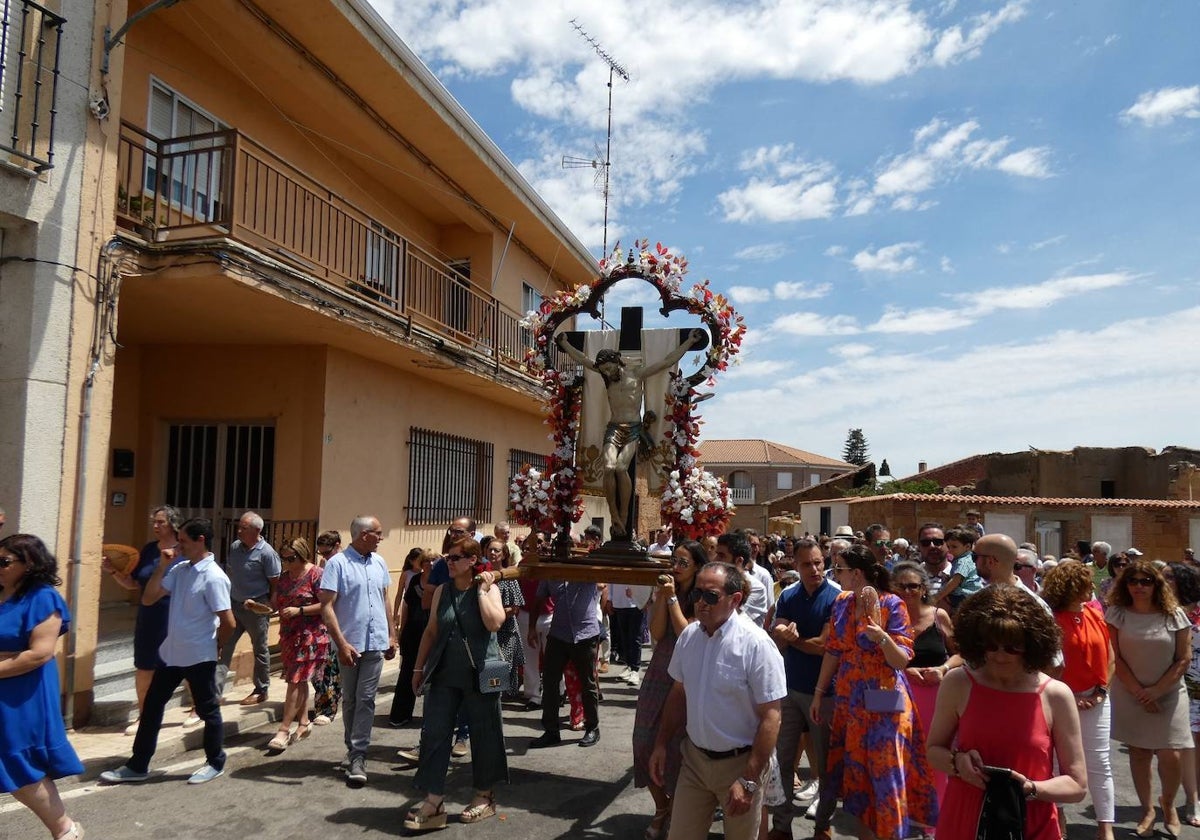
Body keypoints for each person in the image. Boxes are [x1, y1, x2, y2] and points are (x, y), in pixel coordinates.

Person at [929, 585, 1086, 837]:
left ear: (1032, 643)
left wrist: (1030, 788)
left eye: (1012, 646)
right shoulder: (958, 682)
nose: (1000, 655)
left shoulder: (1055, 694)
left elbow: (1077, 785)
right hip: (965, 818)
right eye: (991, 645)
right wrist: (957, 762)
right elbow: (933, 750)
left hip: (1029, 820)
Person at [649, 561, 787, 840]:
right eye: (696, 594)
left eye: (711, 596)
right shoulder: (689, 636)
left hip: (740, 765)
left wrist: (748, 780)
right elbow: (679, 692)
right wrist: (661, 743)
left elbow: (772, 716)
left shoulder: (756, 644)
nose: (701, 602)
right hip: (695, 762)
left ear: (735, 600)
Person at [810, 545, 936, 840]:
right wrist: (818, 692)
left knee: (885, 774)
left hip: (885, 699)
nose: (834, 574)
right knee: (859, 778)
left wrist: (881, 637)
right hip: (851, 700)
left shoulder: (892, 604)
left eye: (838, 569)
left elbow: (901, 660)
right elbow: (834, 650)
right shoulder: (841, 602)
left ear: (856, 574)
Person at [100, 518, 234, 786]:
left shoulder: (215, 576)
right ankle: (138, 765)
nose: (178, 545)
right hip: (171, 654)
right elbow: (149, 598)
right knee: (151, 707)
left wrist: (216, 648)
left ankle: (215, 761)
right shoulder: (180, 569)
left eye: (183, 540)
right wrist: (162, 567)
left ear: (200, 541)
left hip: (198, 656)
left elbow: (228, 622)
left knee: (208, 711)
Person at [555, 328, 705, 538]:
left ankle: (624, 515)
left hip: (633, 429)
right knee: (608, 467)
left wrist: (689, 342)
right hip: (614, 428)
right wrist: (565, 344)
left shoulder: (637, 373)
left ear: (618, 361)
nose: (607, 373)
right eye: (604, 370)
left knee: (620, 467)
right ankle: (614, 515)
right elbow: (583, 359)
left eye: (609, 368)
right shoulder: (605, 377)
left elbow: (666, 361)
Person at [405, 538, 507, 831]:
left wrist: (483, 591)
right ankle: (434, 800)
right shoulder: (442, 592)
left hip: (486, 669)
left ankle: (484, 796)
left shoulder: (489, 589)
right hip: (444, 672)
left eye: (455, 558)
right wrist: (417, 668)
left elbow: (494, 623)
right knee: (435, 733)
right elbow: (431, 631)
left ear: (473, 561)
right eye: (447, 558)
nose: (448, 562)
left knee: (485, 732)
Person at [0, 534, 86, 839]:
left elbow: (39, 653)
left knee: (17, 762)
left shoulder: (42, 597)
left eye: (4, 561)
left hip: (22, 694)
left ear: (30, 563)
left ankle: (65, 828)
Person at [1106, 558, 1192, 837]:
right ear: (1125, 584)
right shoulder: (1117, 614)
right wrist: (1140, 693)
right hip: (1130, 692)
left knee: (1172, 753)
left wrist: (1156, 691)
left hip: (1169, 692)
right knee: (1139, 752)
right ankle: (1147, 810)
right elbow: (1114, 657)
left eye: (1146, 581)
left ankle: (1168, 803)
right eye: (1133, 581)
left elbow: (1183, 659)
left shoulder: (1174, 614)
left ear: (1157, 584)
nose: (1139, 586)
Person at [768, 537, 841, 840]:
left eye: (819, 563)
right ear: (795, 565)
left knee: (824, 765)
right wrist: (784, 634)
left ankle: (823, 825)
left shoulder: (837, 597)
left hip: (824, 693)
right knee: (784, 761)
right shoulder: (789, 594)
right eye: (807, 564)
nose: (815, 569)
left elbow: (825, 645)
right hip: (789, 688)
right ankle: (781, 826)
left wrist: (792, 638)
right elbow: (776, 636)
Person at [632, 539, 705, 840]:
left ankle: (676, 808)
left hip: (689, 674)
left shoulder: (703, 596)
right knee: (643, 740)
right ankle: (661, 807)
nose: (676, 566)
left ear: (698, 567)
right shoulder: (667, 589)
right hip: (661, 668)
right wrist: (662, 598)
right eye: (675, 560)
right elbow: (658, 633)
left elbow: (687, 632)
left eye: (684, 562)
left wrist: (673, 598)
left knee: (678, 747)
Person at [318, 515, 397, 787]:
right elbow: (327, 606)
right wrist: (340, 644)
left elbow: (384, 598)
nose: (381, 537)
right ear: (364, 534)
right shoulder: (337, 564)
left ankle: (358, 754)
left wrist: (391, 634)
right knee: (350, 699)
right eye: (378, 533)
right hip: (349, 644)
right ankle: (353, 749)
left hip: (375, 642)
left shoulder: (379, 562)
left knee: (365, 698)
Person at [1042, 560, 1116, 840]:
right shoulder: (1050, 620)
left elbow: (1110, 657)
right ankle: (1058, 821)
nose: (1093, 588)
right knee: (1058, 763)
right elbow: (1046, 665)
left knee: (1100, 762)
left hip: (1097, 699)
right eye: (1087, 583)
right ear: (1072, 587)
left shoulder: (1095, 615)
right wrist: (1067, 696)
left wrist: (1101, 691)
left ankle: (1105, 828)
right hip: (1060, 701)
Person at [100, 504, 183, 736]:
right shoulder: (147, 550)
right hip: (149, 616)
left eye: (161, 522)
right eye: (154, 522)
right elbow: (133, 584)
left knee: (182, 666)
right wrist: (113, 571)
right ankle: (145, 715)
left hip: (175, 617)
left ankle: (198, 709)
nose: (155, 526)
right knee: (144, 666)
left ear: (173, 525)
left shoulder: (184, 551)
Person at [891, 560, 955, 813]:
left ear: (923, 589)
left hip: (935, 698)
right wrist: (905, 670)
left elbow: (959, 653)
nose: (908, 592)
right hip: (898, 696)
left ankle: (938, 810)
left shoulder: (939, 616)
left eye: (913, 586)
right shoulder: (887, 618)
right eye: (902, 587)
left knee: (934, 753)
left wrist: (943, 669)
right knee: (900, 753)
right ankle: (903, 810)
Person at [266, 537, 328, 751]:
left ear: (302, 555)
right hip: (289, 635)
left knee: (295, 679)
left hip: (311, 636)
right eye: (284, 559)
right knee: (299, 680)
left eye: (291, 559)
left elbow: (327, 604)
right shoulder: (284, 578)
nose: (287, 563)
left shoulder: (316, 575)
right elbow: (276, 603)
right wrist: (259, 606)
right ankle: (303, 722)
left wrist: (299, 611)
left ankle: (284, 730)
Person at [216, 511, 281, 705]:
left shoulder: (267, 553)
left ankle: (261, 689)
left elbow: (275, 583)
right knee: (223, 646)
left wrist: (269, 605)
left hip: (255, 607)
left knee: (260, 649)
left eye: (244, 528)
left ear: (257, 530)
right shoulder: (235, 547)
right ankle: (213, 693)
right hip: (234, 605)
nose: (239, 530)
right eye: (239, 526)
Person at [529, 576, 602, 748]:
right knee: (549, 682)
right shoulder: (552, 573)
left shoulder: (586, 570)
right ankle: (551, 731)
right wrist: (532, 627)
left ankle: (592, 728)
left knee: (588, 684)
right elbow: (538, 600)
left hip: (585, 633)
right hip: (558, 634)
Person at [1169, 563, 1200, 828]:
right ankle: (1193, 799)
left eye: (1168, 577)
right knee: (1188, 744)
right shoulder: (1160, 611)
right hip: (1181, 686)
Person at [391, 550, 434, 727]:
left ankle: (434, 718)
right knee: (408, 672)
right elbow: (407, 604)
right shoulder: (415, 580)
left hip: (432, 633)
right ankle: (400, 714)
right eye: (426, 561)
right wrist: (401, 629)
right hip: (413, 632)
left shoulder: (442, 582)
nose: (430, 564)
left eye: (433, 561)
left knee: (434, 675)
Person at [310, 529, 343, 725]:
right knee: (320, 669)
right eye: (321, 553)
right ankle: (325, 703)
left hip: (338, 621)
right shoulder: (324, 564)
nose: (324, 557)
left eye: (327, 552)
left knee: (329, 669)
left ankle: (328, 709)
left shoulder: (343, 564)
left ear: (338, 545)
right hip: (322, 623)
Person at [485, 539, 525, 693]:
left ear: (504, 555)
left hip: (505, 633)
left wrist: (493, 616)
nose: (493, 553)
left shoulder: (509, 577)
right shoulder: (483, 575)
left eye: (496, 550)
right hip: (486, 633)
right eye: (490, 550)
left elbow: (514, 608)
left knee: (500, 672)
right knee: (488, 673)